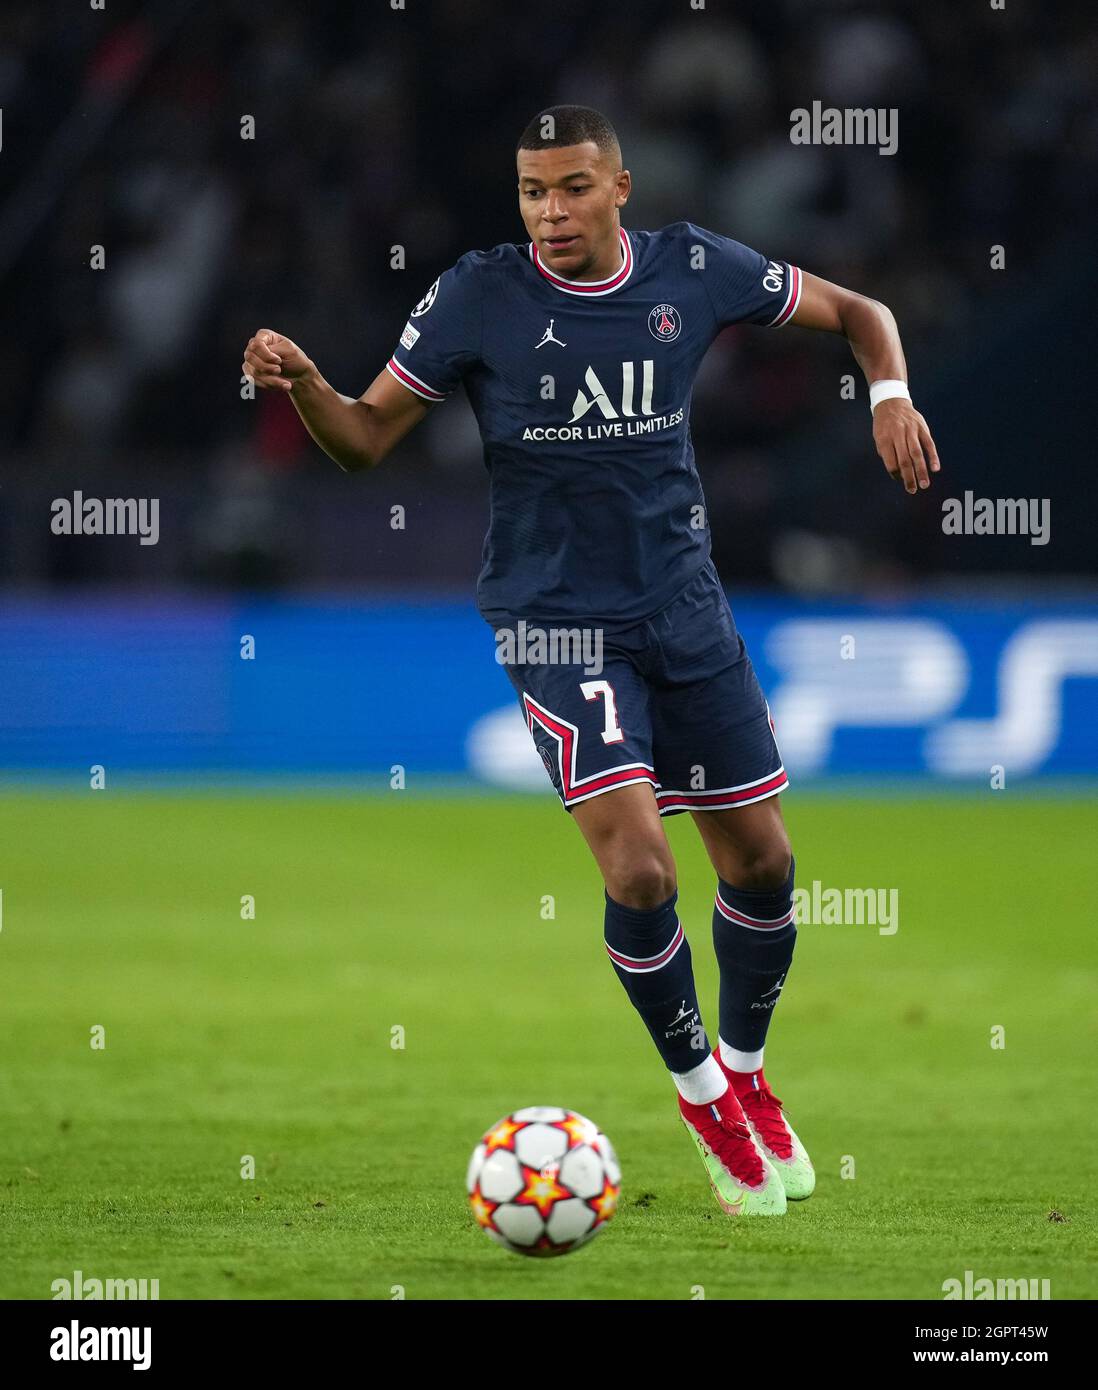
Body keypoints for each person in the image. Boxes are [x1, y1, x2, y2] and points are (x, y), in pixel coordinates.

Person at [242, 104, 940, 1218]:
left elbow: (864, 313)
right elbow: (366, 440)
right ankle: (704, 1096)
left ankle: (753, 1077)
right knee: (641, 870)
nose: (549, 212)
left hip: (685, 609)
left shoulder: (696, 268)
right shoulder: (478, 293)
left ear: (620, 188)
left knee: (760, 862)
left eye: (571, 188)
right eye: (531, 192)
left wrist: (891, 394)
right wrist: (309, 386)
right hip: (555, 620)